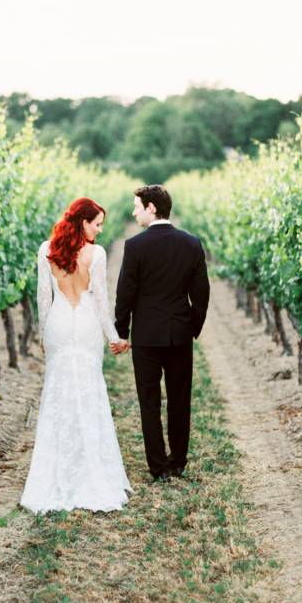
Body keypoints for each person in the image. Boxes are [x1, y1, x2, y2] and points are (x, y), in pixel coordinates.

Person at [20, 197, 132, 513]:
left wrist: (44, 336)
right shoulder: (95, 254)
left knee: (57, 393)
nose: (100, 229)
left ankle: (57, 473)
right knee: (89, 391)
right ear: (83, 222)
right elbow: (99, 302)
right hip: (84, 324)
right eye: (97, 223)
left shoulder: (47, 249)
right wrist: (115, 337)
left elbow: (43, 298)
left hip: (57, 321)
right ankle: (90, 470)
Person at [114, 185, 210, 482]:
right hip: (179, 335)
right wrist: (191, 326)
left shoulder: (135, 246)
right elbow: (202, 294)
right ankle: (178, 462)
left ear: (152, 207)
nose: (134, 212)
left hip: (146, 336)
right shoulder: (191, 244)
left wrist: (122, 331)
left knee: (149, 401)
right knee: (180, 400)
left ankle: (158, 467)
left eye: (137, 206)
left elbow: (125, 294)